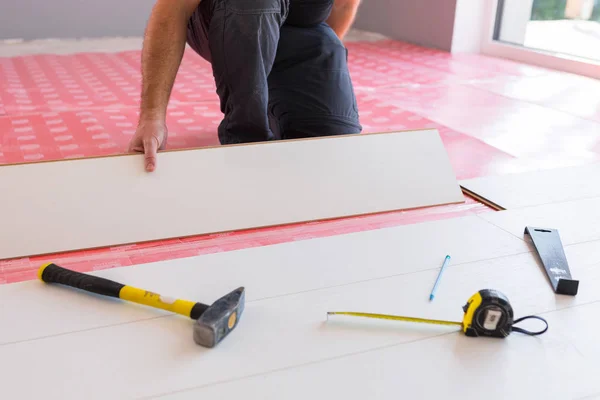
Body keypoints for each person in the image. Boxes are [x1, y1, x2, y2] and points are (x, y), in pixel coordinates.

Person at [128, 0, 363, 172]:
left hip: (296, 31)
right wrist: (152, 117)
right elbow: (173, 10)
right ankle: (246, 142)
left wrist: (312, 82)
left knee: (331, 147)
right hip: (228, 16)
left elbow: (342, 6)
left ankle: (265, 97)